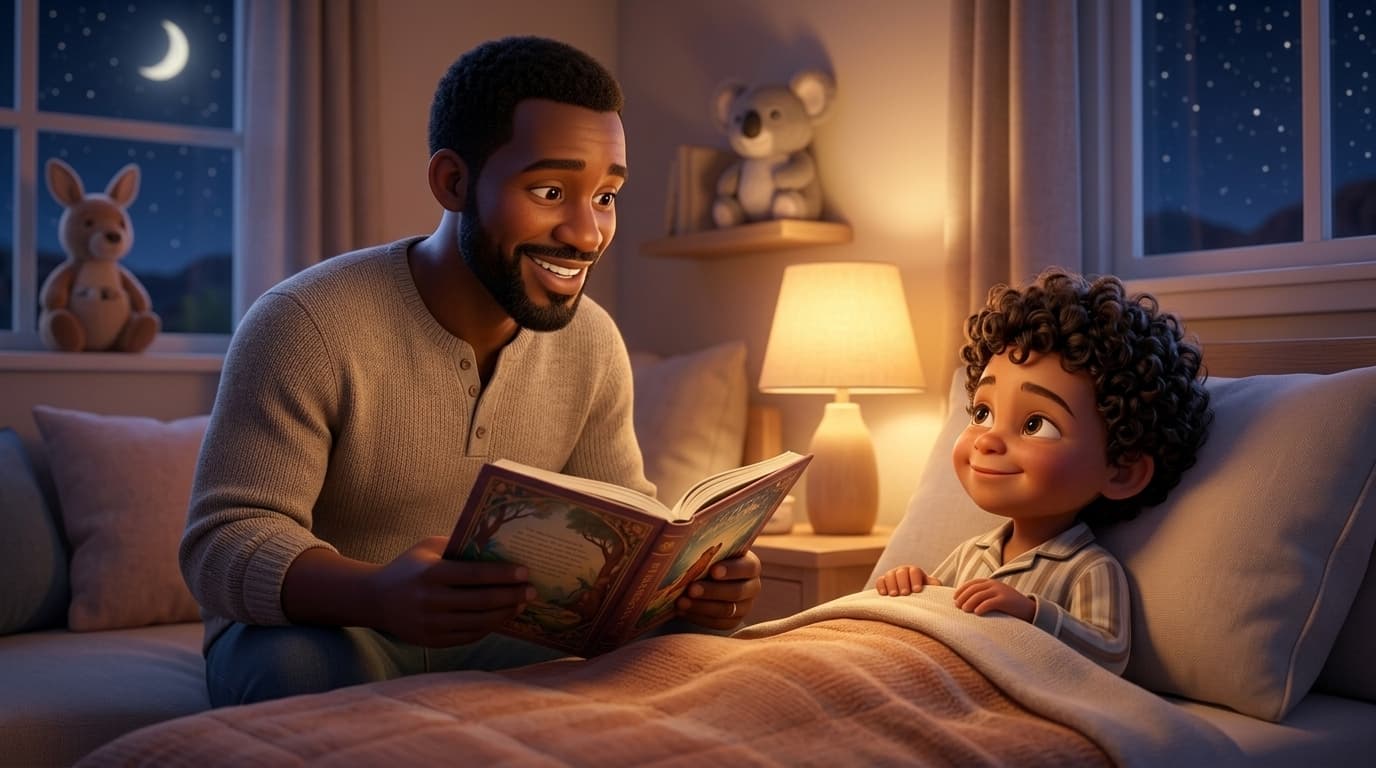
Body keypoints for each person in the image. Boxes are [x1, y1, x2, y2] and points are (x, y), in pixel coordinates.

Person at [181, 35, 762, 707]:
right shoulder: (303, 322)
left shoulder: (594, 342)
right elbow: (223, 543)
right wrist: (374, 593)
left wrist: (694, 590)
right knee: (305, 678)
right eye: (550, 190)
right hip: (329, 628)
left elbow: (622, 527)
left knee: (689, 646)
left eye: (605, 196)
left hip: (503, 631)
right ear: (453, 182)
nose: (587, 233)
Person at [875, 268, 1211, 674]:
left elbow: (1109, 654)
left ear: (1121, 472)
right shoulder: (972, 552)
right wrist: (914, 585)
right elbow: (938, 614)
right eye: (983, 413)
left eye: (1035, 424)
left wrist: (1032, 614)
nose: (987, 440)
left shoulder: (1087, 568)